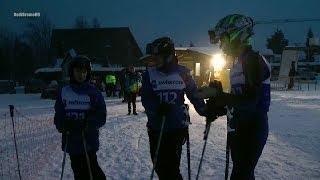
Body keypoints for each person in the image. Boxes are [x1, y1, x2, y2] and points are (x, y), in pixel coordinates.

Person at [197, 14, 271, 180]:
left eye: (223, 40)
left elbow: (251, 101)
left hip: (253, 128)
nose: (221, 45)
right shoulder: (238, 64)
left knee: (240, 175)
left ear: (236, 35)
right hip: (238, 127)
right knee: (242, 174)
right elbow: (237, 101)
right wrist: (215, 107)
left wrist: (218, 94)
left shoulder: (254, 60)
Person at [141, 37, 207, 179]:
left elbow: (194, 94)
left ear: (169, 56)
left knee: (171, 169)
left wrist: (205, 110)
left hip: (176, 127)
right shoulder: (149, 74)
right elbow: (146, 98)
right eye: (153, 56)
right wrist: (157, 108)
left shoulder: (182, 72)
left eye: (158, 56)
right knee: (159, 166)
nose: (154, 59)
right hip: (156, 127)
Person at [54, 55, 106, 180]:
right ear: (72, 71)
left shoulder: (94, 93)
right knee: (79, 173)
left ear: (88, 73)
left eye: (84, 71)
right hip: (72, 142)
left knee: (94, 172)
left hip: (88, 141)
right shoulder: (64, 92)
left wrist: (87, 124)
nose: (81, 75)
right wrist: (63, 124)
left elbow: (101, 116)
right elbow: (58, 115)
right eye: (77, 71)